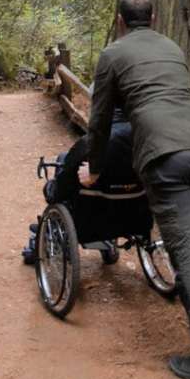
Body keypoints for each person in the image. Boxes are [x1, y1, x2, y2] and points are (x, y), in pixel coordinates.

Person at [78, 0, 190, 379]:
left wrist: (95, 169)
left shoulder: (113, 54)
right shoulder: (172, 48)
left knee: (186, 254)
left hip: (163, 156)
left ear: (120, 21)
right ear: (153, 17)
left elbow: (100, 121)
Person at [22, 108, 149, 263]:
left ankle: (49, 236)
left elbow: (61, 190)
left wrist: (50, 189)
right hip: (135, 216)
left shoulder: (89, 145)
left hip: (90, 221)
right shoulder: (148, 139)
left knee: (65, 164)